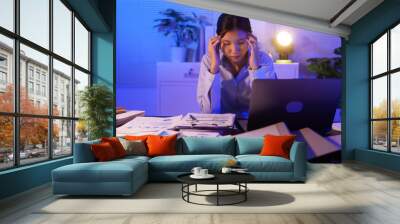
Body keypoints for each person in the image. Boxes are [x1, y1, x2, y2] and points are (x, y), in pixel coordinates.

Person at [197, 13, 276, 118]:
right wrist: (214, 67)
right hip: (220, 127)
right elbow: (207, 111)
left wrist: (255, 67)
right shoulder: (209, 60)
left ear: (250, 38)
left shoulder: (263, 59)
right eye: (227, 43)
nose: (234, 50)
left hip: (255, 125)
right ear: (218, 40)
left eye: (241, 42)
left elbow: (268, 108)